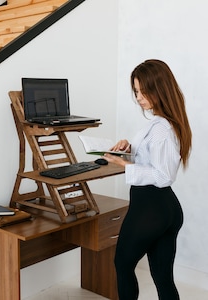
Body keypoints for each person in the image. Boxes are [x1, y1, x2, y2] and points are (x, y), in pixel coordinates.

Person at [102, 59, 192, 300]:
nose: (139, 97)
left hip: (151, 209)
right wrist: (129, 149)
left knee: (122, 264)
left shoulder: (162, 129)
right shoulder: (162, 123)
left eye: (143, 91)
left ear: (159, 89)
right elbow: (154, 160)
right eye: (136, 91)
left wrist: (126, 164)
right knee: (163, 278)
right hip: (165, 209)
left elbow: (163, 175)